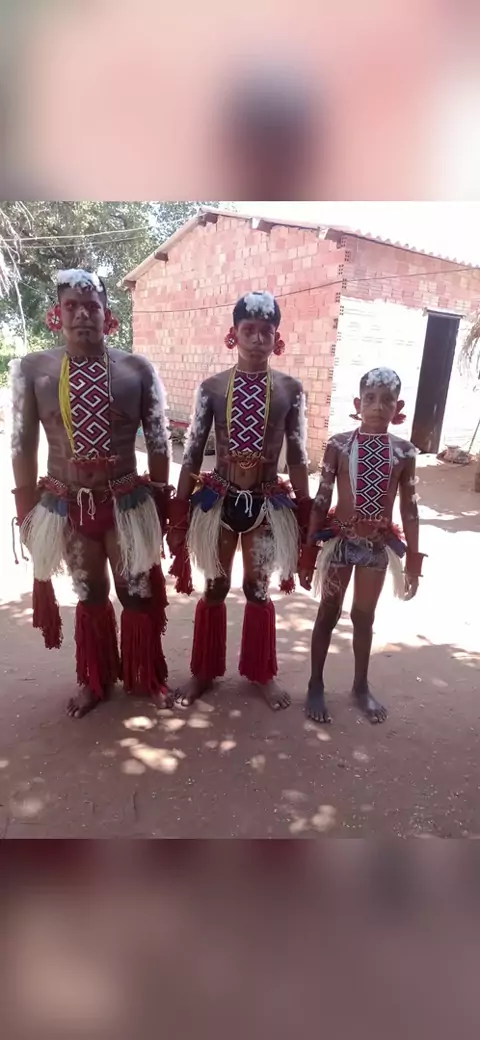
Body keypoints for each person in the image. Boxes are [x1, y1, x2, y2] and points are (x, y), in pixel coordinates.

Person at [10, 268, 172, 718]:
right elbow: (22, 445)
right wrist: (26, 511)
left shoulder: (138, 370)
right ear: (56, 314)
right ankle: (95, 680)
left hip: (127, 504)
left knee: (136, 593)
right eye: (72, 307)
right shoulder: (33, 370)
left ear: (108, 315)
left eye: (92, 307)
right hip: (67, 504)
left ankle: (146, 676)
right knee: (89, 593)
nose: (82, 314)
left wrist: (161, 506)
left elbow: (159, 443)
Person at [167, 290, 312, 710]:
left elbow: (298, 457)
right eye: (249, 330)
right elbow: (192, 453)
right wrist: (178, 513)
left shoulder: (290, 390)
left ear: (277, 337)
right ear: (233, 333)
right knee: (215, 585)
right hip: (218, 500)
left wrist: (306, 514)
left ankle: (262, 673)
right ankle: (203, 672)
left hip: (267, 503)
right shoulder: (212, 388)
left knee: (257, 588)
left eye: (266, 331)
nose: (257, 338)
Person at [299, 367, 425, 725]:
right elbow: (322, 500)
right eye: (370, 398)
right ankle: (315, 683)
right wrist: (308, 554)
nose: (378, 406)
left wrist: (413, 563)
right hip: (339, 542)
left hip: (376, 547)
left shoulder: (404, 452)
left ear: (398, 407)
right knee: (328, 612)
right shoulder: (339, 445)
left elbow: (410, 508)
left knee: (364, 617)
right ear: (357, 403)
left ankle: (360, 686)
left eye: (387, 400)